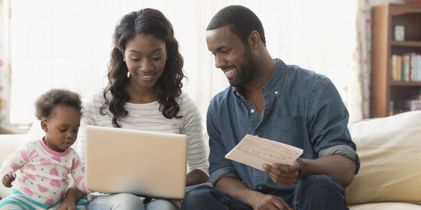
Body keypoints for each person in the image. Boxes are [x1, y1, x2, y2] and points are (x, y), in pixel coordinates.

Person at [182, 5, 360, 210]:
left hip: (303, 202)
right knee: (196, 198)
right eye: (214, 54)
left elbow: (345, 167)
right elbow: (222, 174)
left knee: (318, 185)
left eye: (225, 51)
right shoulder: (219, 107)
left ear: (254, 40)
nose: (218, 63)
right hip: (250, 205)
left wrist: (301, 167)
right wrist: (254, 198)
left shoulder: (315, 89)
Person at [66, 8, 208, 210]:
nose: (146, 67)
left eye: (156, 56)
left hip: (162, 200)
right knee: (128, 203)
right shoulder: (96, 104)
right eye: (135, 58)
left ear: (168, 52)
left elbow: (200, 169)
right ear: (122, 55)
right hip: (108, 201)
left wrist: (163, 185)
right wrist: (70, 197)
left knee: (163, 208)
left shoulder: (184, 106)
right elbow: (84, 170)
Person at [0, 89, 89, 210]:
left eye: (75, 130)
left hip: (53, 206)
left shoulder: (72, 157)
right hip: (22, 201)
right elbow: (10, 162)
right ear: (45, 125)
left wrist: (95, 184)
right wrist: (7, 174)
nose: (70, 135)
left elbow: (82, 181)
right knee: (7, 206)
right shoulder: (31, 148)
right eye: (63, 129)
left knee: (81, 206)